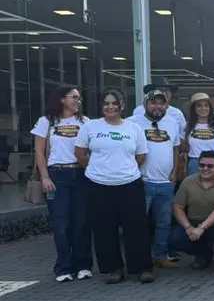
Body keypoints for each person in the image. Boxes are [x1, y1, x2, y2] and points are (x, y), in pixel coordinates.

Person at [74, 88, 153, 284]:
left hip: (130, 184)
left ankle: (142, 267)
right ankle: (114, 269)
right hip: (99, 185)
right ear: (102, 107)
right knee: (104, 229)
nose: (110, 107)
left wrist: (124, 168)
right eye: (106, 104)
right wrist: (94, 170)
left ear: (121, 106)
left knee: (136, 228)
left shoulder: (133, 129)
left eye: (114, 103)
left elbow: (141, 155)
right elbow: (80, 153)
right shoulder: (90, 127)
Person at [31, 85, 92, 282]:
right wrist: (45, 176)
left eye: (79, 98)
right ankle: (64, 267)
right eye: (74, 97)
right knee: (61, 223)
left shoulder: (85, 122)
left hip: (81, 174)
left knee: (81, 222)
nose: (78, 101)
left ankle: (83, 265)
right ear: (62, 99)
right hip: (57, 175)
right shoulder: (46, 122)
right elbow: (39, 152)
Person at [129, 90, 182, 269]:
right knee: (139, 224)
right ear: (145, 105)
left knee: (164, 223)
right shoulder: (132, 123)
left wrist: (175, 171)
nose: (158, 107)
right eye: (153, 103)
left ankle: (161, 256)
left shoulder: (173, 123)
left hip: (166, 183)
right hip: (142, 182)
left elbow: (176, 149)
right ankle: (139, 259)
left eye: (161, 103)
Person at [170, 150, 214, 276]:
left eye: (210, 166)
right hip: (193, 222)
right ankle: (203, 254)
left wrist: (202, 227)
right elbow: (177, 207)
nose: (205, 168)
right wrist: (188, 227)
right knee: (174, 239)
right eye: (202, 165)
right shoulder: (187, 181)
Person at [183, 92, 214, 177]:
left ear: (210, 108)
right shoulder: (187, 127)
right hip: (195, 163)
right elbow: (184, 151)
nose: (203, 108)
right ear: (194, 109)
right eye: (199, 105)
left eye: (206, 105)